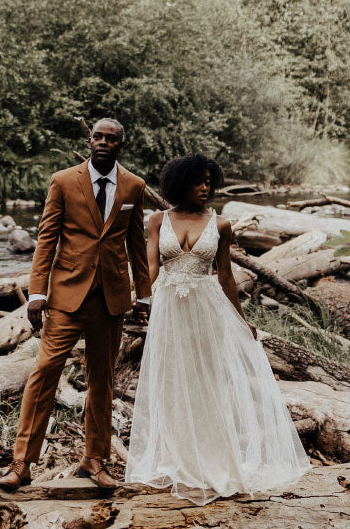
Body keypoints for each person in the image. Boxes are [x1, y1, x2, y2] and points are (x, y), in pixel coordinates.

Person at [125, 152, 309, 503]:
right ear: (181, 183)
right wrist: (137, 300)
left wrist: (241, 321)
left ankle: (213, 462)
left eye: (210, 181)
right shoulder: (156, 220)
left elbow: (225, 276)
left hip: (207, 310)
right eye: (199, 181)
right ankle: (178, 459)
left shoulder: (220, 224)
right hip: (169, 309)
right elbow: (150, 266)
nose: (206, 188)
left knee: (208, 382)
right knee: (172, 382)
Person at [0, 118, 151, 492]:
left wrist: (144, 294)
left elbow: (136, 245)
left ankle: (94, 460)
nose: (102, 142)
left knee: (102, 381)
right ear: (89, 139)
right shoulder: (64, 181)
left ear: (120, 144)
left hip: (111, 298)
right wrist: (37, 293)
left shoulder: (134, 186)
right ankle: (22, 462)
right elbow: (46, 240)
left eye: (111, 139)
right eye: (97, 136)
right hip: (66, 295)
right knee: (45, 369)